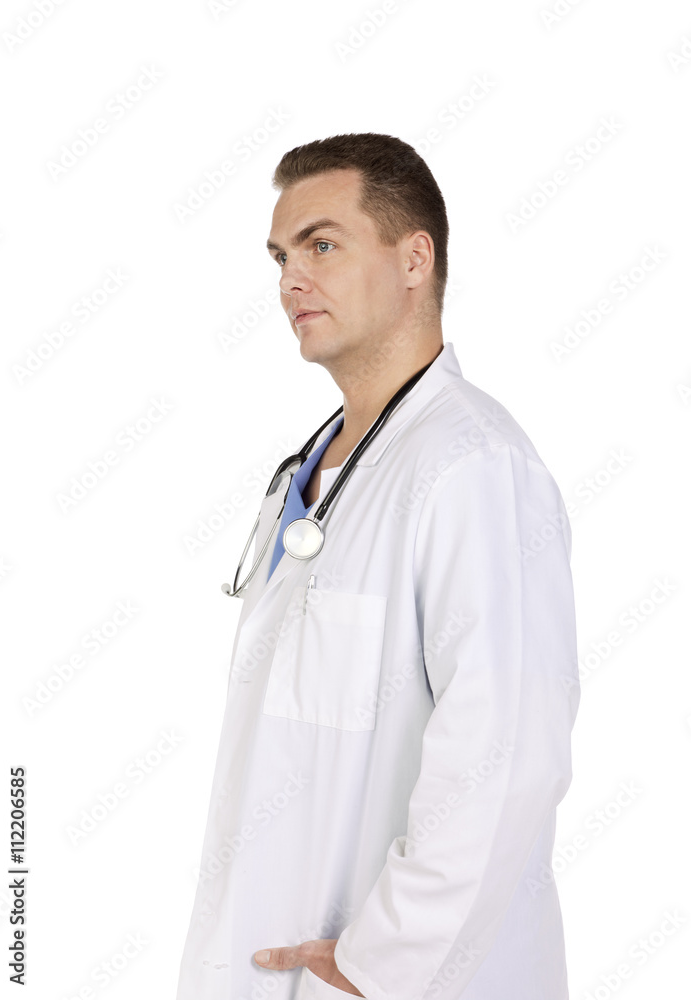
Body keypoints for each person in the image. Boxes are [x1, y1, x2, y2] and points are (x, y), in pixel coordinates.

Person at [175, 132, 580, 1000]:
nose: (290, 279)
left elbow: (507, 754)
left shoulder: (474, 466)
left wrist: (381, 961)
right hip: (271, 957)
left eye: (320, 245)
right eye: (280, 256)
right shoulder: (312, 470)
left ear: (413, 260)